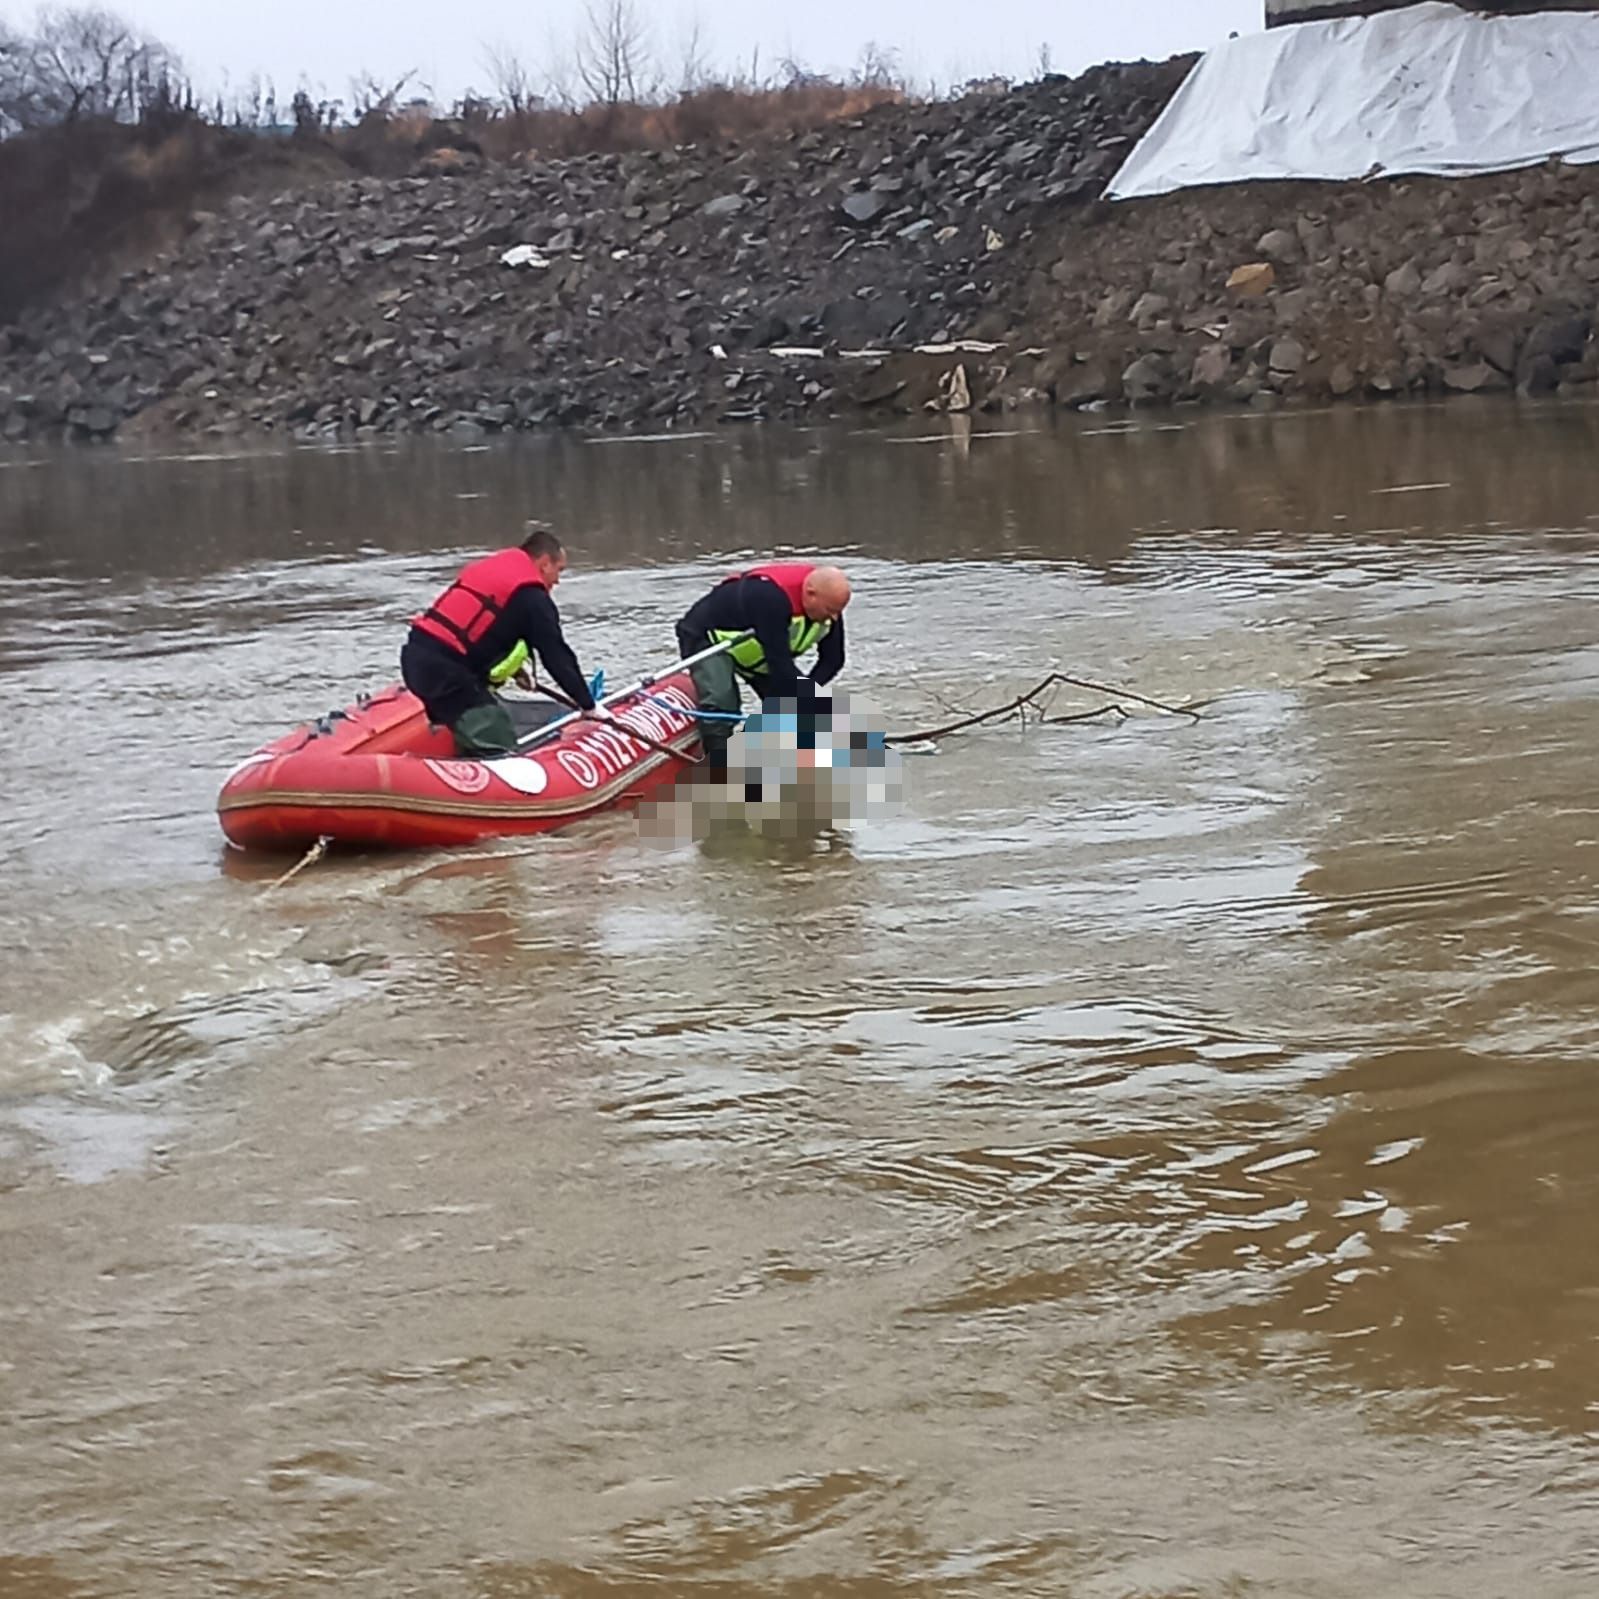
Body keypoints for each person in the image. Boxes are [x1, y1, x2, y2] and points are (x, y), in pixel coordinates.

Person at [401, 525, 610, 758]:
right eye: (558, 570)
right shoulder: (533, 598)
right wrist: (588, 705)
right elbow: (557, 656)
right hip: (445, 674)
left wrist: (517, 671)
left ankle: (459, 760)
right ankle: (486, 772)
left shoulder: (495, 570)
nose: (557, 581)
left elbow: (482, 632)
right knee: (495, 736)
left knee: (470, 713)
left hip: (416, 657)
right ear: (544, 563)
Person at [674, 561, 851, 770]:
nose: (834, 618)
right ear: (811, 594)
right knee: (722, 701)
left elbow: (833, 660)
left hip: (755, 649)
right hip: (708, 639)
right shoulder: (770, 598)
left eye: (838, 612)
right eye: (830, 610)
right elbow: (780, 666)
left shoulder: (828, 603)